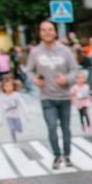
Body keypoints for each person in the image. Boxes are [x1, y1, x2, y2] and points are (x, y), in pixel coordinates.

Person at [26, 20, 79, 169]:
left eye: (50, 29)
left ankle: (67, 155)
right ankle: (57, 156)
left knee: (66, 128)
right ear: (40, 33)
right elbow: (29, 70)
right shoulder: (35, 52)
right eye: (43, 30)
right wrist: (35, 80)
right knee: (51, 128)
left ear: (55, 32)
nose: (47, 32)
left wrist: (66, 79)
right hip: (47, 97)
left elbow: (75, 70)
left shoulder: (65, 51)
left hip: (64, 97)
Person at [0, 77, 27, 144]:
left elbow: (22, 104)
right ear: (3, 87)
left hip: (17, 115)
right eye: (6, 86)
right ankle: (14, 141)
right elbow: (0, 108)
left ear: (13, 86)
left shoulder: (16, 95)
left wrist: (25, 114)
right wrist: (0, 119)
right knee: (12, 129)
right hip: (9, 116)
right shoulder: (2, 97)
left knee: (19, 129)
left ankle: (19, 129)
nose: (8, 87)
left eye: (10, 85)